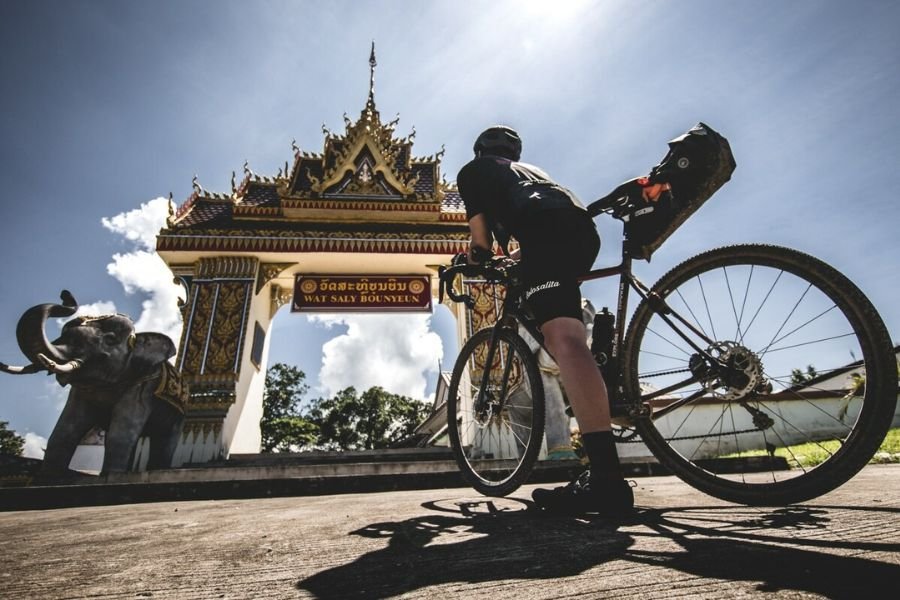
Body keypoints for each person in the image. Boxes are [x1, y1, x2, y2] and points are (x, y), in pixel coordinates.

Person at [456, 125, 640, 517]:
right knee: (568, 327)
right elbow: (545, 224)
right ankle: (609, 393)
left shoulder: (473, 174)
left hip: (545, 231)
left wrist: (471, 259)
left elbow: (480, 244)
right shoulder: (531, 172)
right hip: (578, 232)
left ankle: (607, 479)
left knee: (563, 338)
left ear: (479, 152)